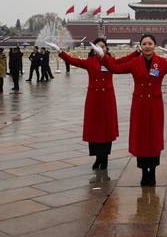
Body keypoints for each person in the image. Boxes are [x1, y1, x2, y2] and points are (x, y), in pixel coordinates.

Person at [101, 34, 167, 186]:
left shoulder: (162, 62)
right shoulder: (134, 62)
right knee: (142, 138)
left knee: (154, 137)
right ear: (140, 46)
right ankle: (144, 172)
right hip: (139, 106)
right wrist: (103, 56)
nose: (147, 46)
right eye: (144, 43)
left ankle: (153, 171)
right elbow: (115, 68)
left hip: (155, 106)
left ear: (154, 45)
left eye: (150, 43)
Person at [54, 39, 139, 170]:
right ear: (93, 49)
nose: (100, 49)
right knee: (94, 129)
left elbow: (125, 60)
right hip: (93, 100)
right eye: (98, 47)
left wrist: (136, 52)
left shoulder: (111, 60)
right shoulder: (90, 62)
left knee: (106, 130)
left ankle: (104, 159)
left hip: (107, 99)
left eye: (103, 47)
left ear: (106, 49)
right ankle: (97, 157)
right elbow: (72, 61)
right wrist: (60, 52)